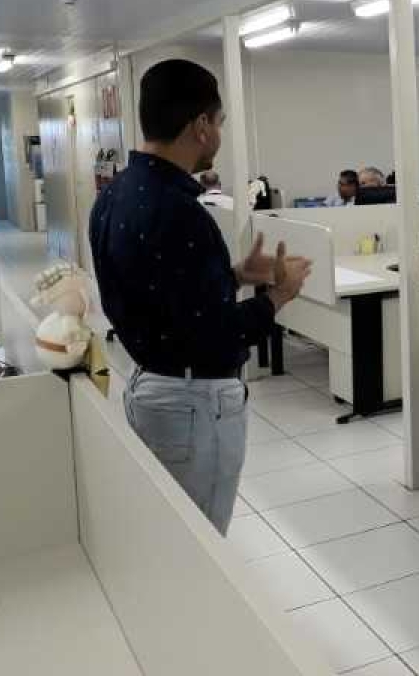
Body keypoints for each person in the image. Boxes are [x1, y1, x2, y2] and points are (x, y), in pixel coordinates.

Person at [90, 59, 311, 535]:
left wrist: (232, 275)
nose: (220, 134)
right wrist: (279, 295)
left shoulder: (115, 195)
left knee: (168, 539)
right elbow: (214, 335)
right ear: (202, 126)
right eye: (220, 122)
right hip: (192, 404)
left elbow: (162, 297)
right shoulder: (181, 212)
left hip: (148, 387)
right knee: (201, 542)